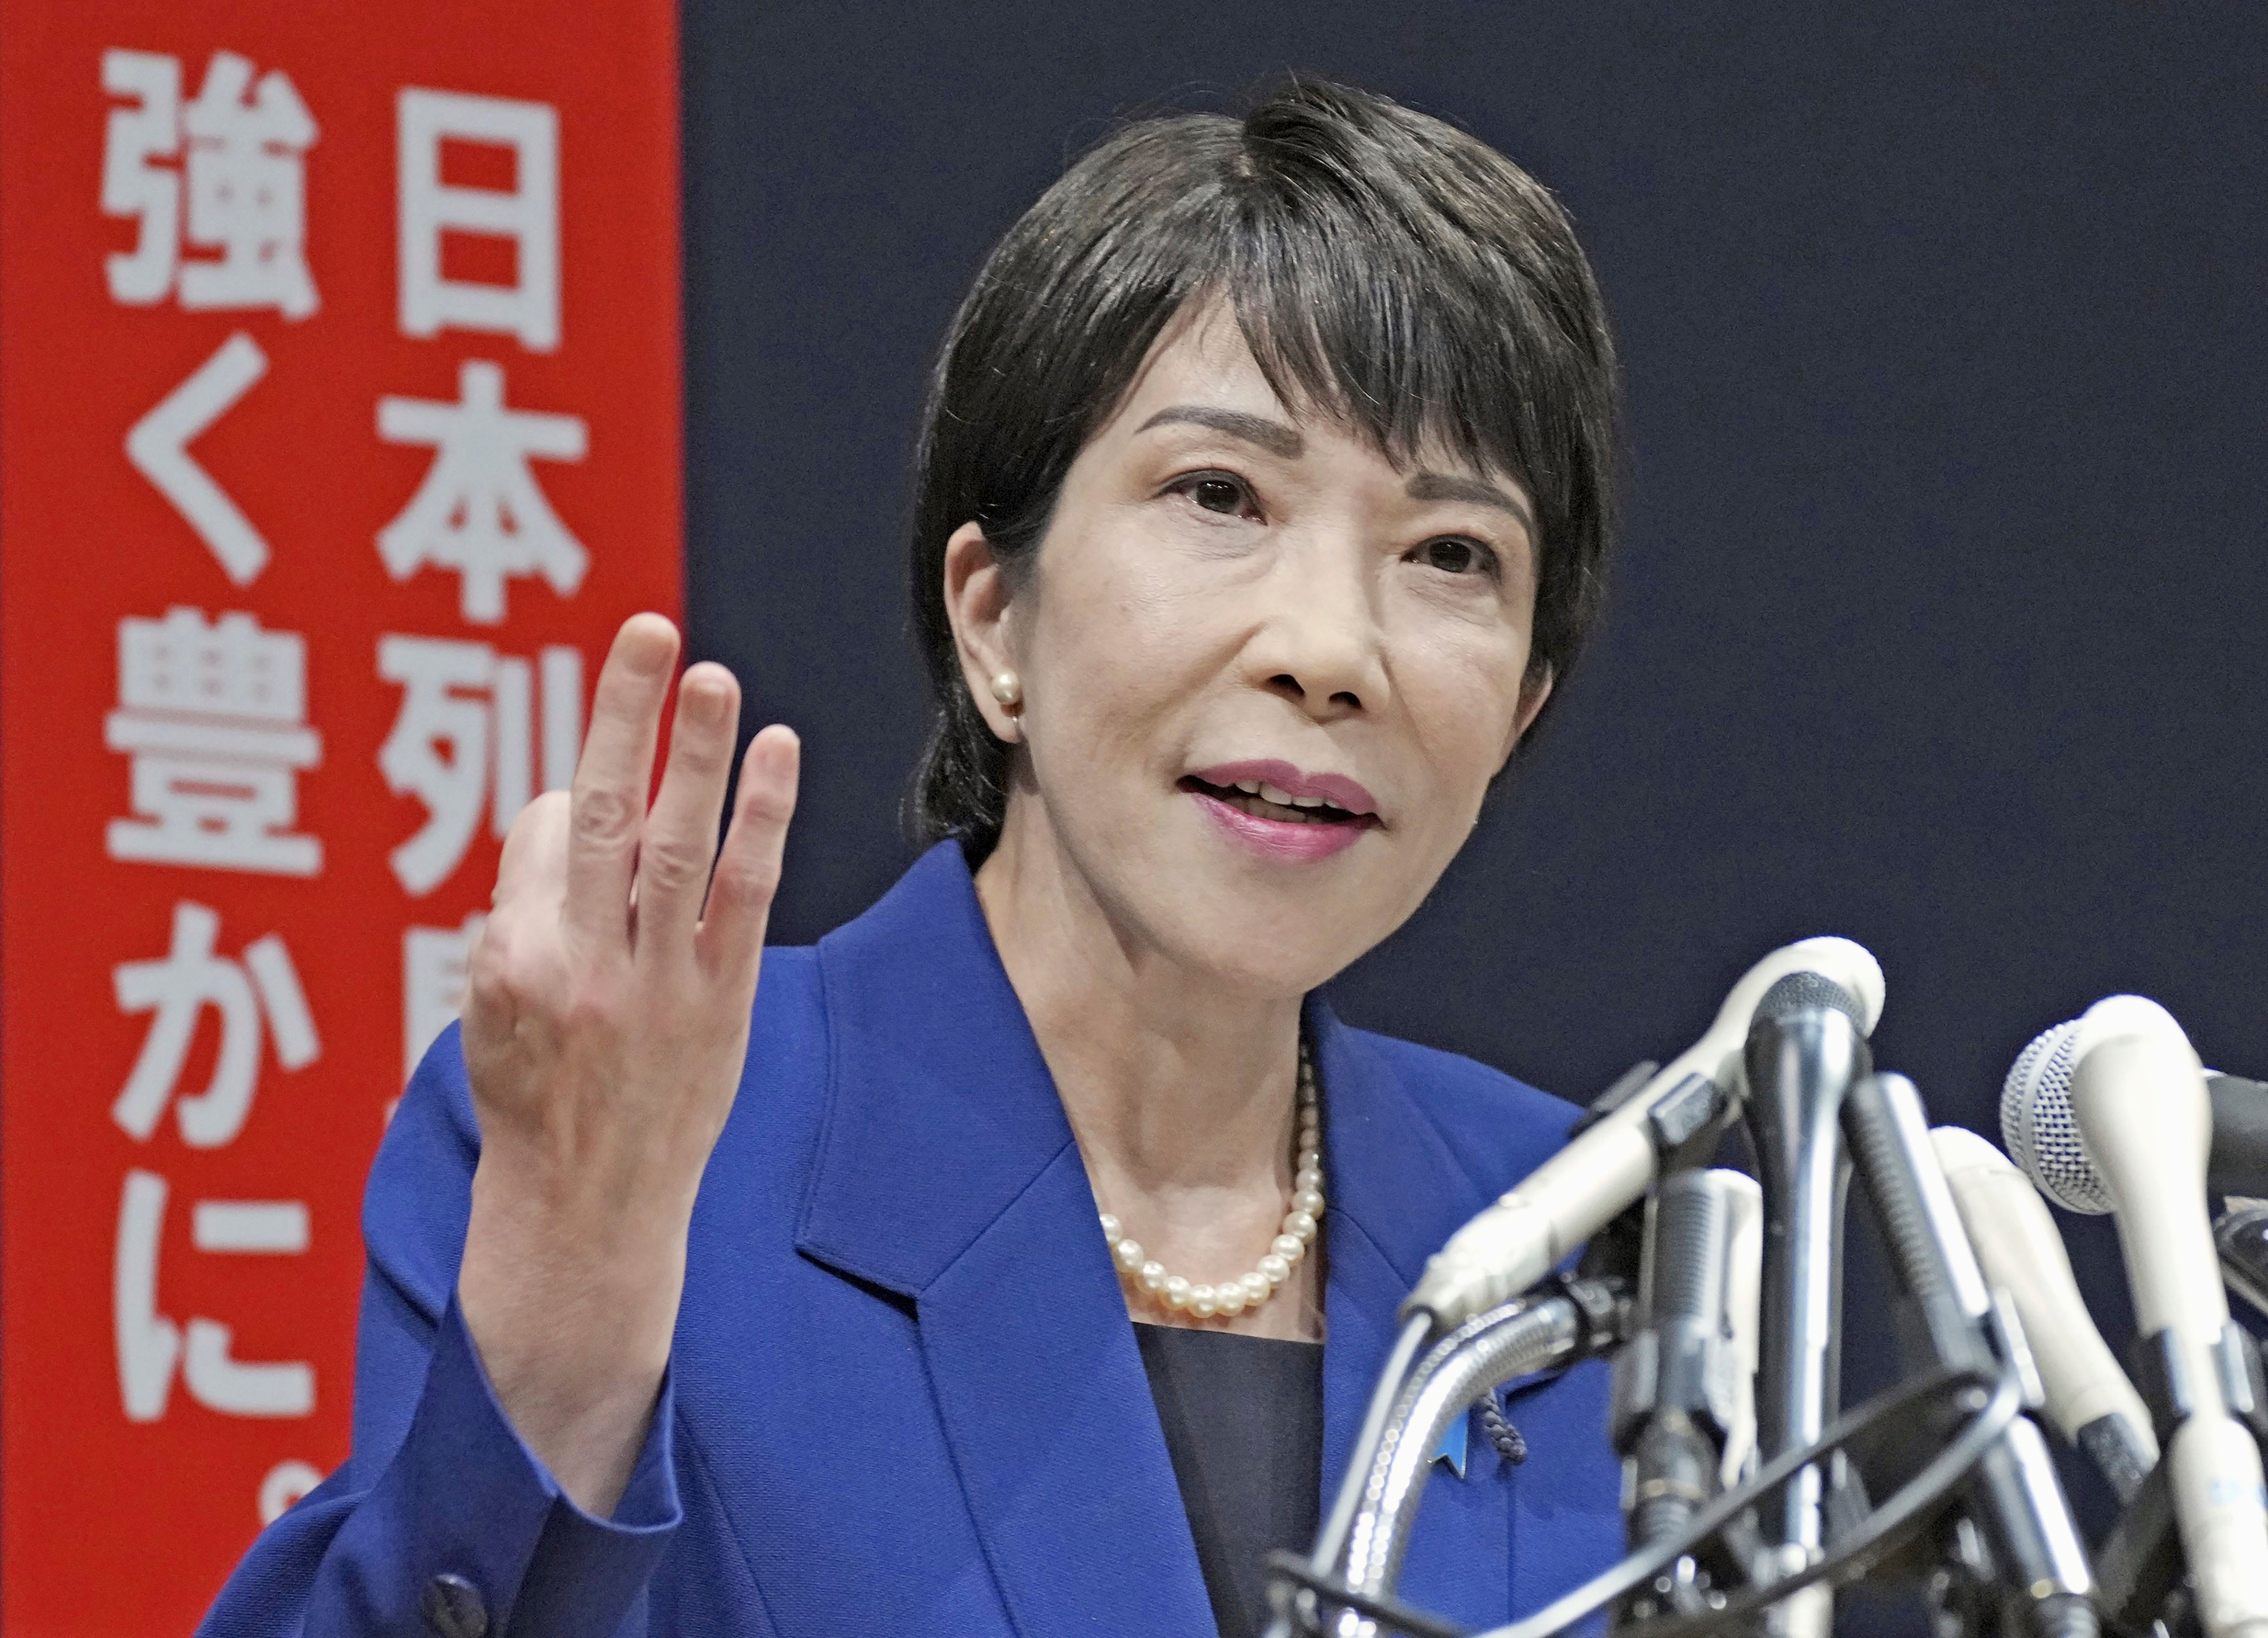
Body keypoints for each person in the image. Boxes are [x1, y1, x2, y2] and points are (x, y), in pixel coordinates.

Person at [199, 76, 1622, 1638]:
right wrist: (573, 1320)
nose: (1332, 648)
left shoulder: (1587, 1236)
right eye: (1222, 494)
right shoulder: (660, 1130)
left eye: (1449, 556)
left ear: (1522, 705)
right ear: (994, 619)